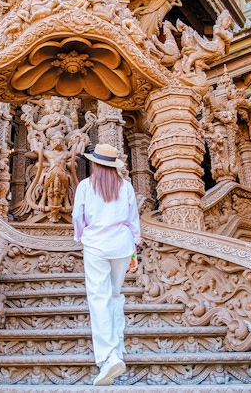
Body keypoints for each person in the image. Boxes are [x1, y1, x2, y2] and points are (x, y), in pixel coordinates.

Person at [72, 143, 140, 386]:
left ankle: (108, 357)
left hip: (96, 246)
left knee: (99, 299)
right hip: (122, 245)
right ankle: (117, 350)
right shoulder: (126, 187)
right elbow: (133, 220)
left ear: (94, 163)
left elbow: (77, 217)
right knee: (114, 296)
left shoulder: (86, 186)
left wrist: (81, 237)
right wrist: (134, 250)